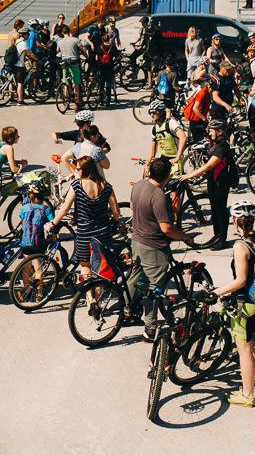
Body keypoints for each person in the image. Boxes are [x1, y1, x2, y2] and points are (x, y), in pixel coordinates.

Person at [127, 157, 195, 341]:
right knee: (153, 288)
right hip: (153, 246)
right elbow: (167, 229)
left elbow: (133, 206)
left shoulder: (139, 185)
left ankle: (127, 310)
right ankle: (150, 329)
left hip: (137, 241)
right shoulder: (159, 196)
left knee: (135, 277)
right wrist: (186, 236)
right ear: (167, 176)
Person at [212, 200, 255, 408]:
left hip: (246, 301)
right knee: (253, 335)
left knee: (244, 348)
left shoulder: (241, 246)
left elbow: (241, 280)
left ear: (235, 221)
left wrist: (216, 292)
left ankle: (247, 394)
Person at [48, 156, 120, 280]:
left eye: (78, 169)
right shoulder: (106, 186)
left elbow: (65, 208)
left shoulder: (77, 185)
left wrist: (53, 223)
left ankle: (89, 290)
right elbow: (116, 211)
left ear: (85, 169)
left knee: (85, 265)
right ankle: (100, 290)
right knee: (102, 265)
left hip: (85, 234)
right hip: (104, 232)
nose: (76, 171)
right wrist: (115, 221)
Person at [179, 118, 236, 248]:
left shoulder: (222, 146)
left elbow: (208, 166)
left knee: (220, 210)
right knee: (214, 209)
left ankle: (222, 239)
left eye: (212, 131)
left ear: (220, 132)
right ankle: (217, 236)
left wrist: (189, 175)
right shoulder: (216, 143)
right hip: (213, 181)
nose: (209, 133)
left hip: (221, 182)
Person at [146, 100, 188, 173]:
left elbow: (183, 137)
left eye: (154, 112)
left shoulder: (171, 123)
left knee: (174, 179)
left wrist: (178, 157)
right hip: (163, 158)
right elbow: (153, 150)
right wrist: (147, 164)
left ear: (162, 112)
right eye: (150, 113)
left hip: (175, 158)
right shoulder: (154, 128)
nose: (152, 115)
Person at [56, 24, 86, 108]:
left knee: (65, 82)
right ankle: (77, 101)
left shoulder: (60, 41)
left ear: (62, 33)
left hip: (65, 63)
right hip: (74, 63)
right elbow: (84, 49)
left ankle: (66, 102)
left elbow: (58, 50)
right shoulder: (75, 40)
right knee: (76, 83)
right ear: (69, 32)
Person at [183, 74, 213, 143]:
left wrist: (210, 111)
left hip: (200, 120)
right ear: (208, 85)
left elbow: (203, 105)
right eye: (212, 88)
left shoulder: (207, 93)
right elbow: (195, 108)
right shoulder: (203, 93)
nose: (213, 90)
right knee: (200, 142)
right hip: (196, 121)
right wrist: (204, 118)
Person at [10, 27, 37, 105]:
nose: (28, 35)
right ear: (24, 35)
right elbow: (29, 52)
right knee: (20, 83)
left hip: (14, 64)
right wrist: (37, 60)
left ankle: (11, 97)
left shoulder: (17, 41)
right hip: (20, 65)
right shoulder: (23, 43)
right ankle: (20, 100)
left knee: (12, 81)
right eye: (27, 34)